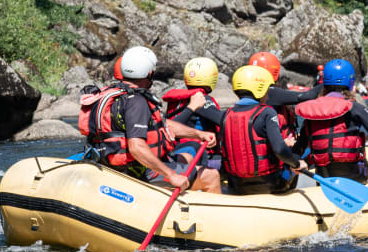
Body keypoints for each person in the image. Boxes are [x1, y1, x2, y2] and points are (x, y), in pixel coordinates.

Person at [78, 46, 222, 193]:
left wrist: (199, 134)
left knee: (187, 157)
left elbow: (163, 125)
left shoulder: (113, 94)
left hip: (108, 163)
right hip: (137, 171)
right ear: (149, 74)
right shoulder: (137, 101)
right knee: (212, 176)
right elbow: (136, 147)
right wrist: (171, 175)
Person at [192, 64, 307, 194]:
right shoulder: (267, 113)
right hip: (270, 185)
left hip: (236, 185)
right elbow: (279, 149)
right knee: (293, 163)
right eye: (268, 88)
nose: (269, 93)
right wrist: (296, 164)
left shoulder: (226, 115)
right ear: (260, 89)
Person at [295, 59, 368, 183]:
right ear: (351, 82)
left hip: (323, 177)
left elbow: (297, 150)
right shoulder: (356, 108)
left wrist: (295, 162)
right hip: (353, 177)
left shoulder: (312, 112)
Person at [246, 51, 320, 146]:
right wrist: (329, 82)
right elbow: (307, 96)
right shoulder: (271, 93)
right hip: (282, 149)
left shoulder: (252, 92)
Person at [163, 57, 222, 169]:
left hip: (178, 149)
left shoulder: (177, 100)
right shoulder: (202, 99)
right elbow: (223, 119)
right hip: (200, 153)